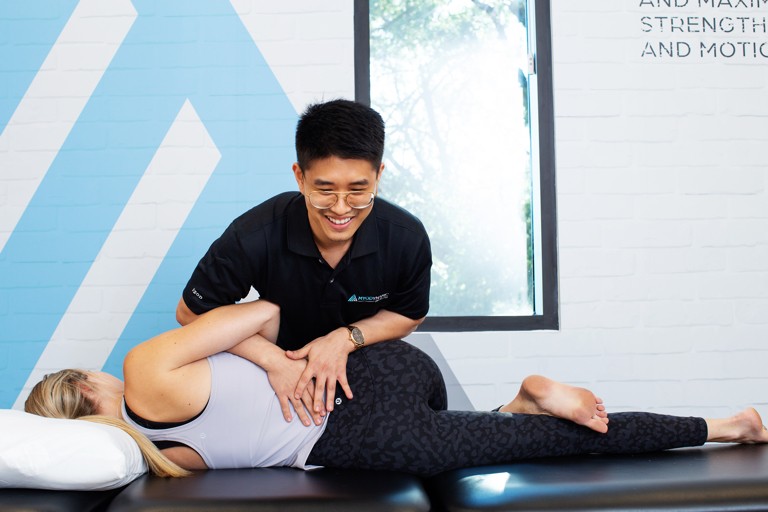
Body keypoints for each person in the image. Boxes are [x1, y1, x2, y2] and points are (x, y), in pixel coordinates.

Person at [25, 300, 768, 478]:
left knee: (546, 444)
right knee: (512, 434)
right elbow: (264, 314)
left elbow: (265, 317)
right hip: (380, 381)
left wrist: (280, 368)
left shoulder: (149, 457)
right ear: (86, 387)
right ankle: (521, 401)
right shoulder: (143, 377)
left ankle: (729, 426)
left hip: (357, 416)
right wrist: (277, 361)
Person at [175, 99, 432, 424]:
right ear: (300, 177)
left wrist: (344, 339)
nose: (341, 208)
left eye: (358, 190)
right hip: (273, 375)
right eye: (325, 190)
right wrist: (274, 360)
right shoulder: (254, 234)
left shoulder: (407, 237)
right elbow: (190, 312)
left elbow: (409, 315)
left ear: (378, 175)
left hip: (360, 372)